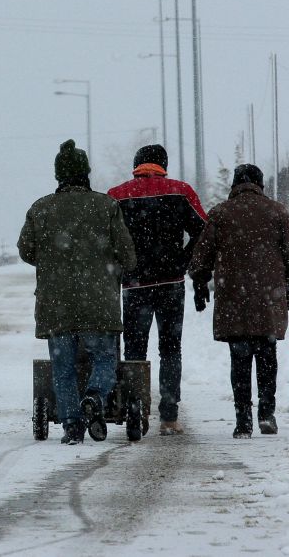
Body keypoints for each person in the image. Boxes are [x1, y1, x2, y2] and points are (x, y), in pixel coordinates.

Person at [18, 139, 136, 444]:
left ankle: (71, 426)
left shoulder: (40, 208)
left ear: (58, 175)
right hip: (99, 302)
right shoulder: (106, 206)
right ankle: (95, 396)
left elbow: (26, 250)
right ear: (86, 173)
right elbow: (127, 254)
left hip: (56, 303)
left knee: (64, 367)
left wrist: (54, 261)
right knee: (104, 357)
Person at [188, 164, 289, 439]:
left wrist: (200, 281)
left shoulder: (220, 213)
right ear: (260, 185)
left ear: (234, 185)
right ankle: (266, 413)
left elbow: (201, 256)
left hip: (233, 300)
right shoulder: (277, 212)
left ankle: (243, 420)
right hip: (268, 299)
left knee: (239, 359)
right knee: (267, 356)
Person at [107, 144, 207, 436]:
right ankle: (169, 417)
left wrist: (121, 267)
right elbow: (203, 231)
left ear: (136, 166)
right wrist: (183, 261)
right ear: (164, 165)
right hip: (171, 284)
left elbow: (106, 239)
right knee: (170, 349)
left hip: (134, 285)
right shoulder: (181, 191)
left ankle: (135, 410)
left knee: (134, 350)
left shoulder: (117, 195)